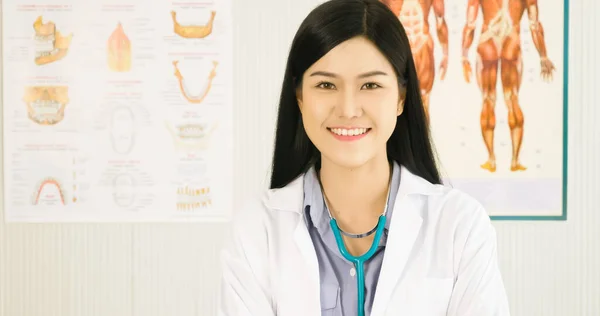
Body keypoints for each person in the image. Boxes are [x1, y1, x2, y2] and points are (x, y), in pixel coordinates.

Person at [219, 0, 510, 315]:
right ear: (300, 98)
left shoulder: (459, 225)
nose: (347, 109)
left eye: (370, 84)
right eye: (326, 84)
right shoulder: (257, 230)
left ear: (401, 97)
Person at [461, 0, 555, 172]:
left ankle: (491, 159)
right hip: (511, 43)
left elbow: (470, 23)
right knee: (512, 98)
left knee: (488, 99)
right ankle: (514, 161)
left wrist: (464, 56)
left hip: (487, 42)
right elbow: (534, 24)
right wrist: (543, 56)